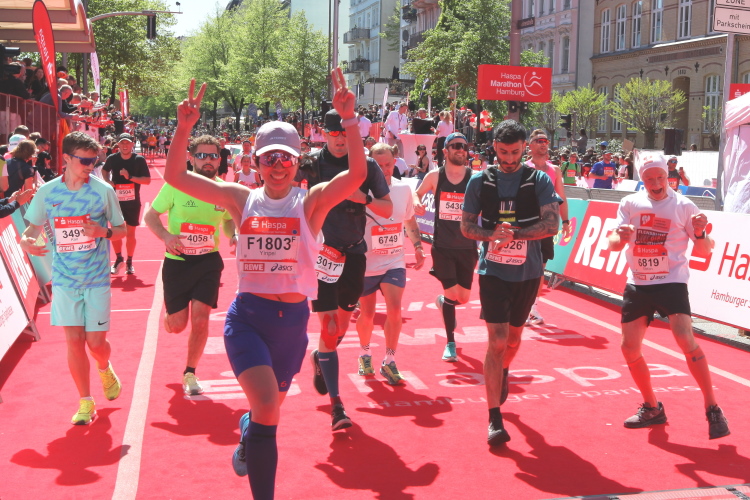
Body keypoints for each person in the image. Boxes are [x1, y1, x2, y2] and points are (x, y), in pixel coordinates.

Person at [163, 71, 366, 499]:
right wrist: (183, 130)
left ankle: (247, 429)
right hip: (248, 321)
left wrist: (350, 121)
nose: (277, 166)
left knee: (265, 413)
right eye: (269, 158)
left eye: (286, 159)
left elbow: (355, 177)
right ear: (255, 163)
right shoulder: (240, 199)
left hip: (291, 326)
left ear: (298, 163)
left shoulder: (311, 202)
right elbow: (177, 177)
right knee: (269, 408)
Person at [607, 153, 729, 440]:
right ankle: (652, 407)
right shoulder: (630, 203)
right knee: (629, 348)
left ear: (668, 176)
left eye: (660, 177)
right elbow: (612, 244)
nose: (656, 183)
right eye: (649, 178)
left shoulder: (683, 205)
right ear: (642, 179)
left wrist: (699, 232)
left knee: (684, 337)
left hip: (671, 281)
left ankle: (713, 408)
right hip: (638, 282)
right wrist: (620, 236)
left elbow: (704, 250)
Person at [460, 119, 561, 446]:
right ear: (495, 148)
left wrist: (515, 235)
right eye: (503, 152)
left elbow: (552, 224)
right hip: (493, 272)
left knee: (514, 341)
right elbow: (466, 227)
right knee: (498, 340)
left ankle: (502, 370)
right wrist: (491, 235)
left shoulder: (539, 179)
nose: (509, 159)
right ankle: (494, 418)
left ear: (524, 148)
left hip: (528, 272)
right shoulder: (480, 181)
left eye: (515, 152)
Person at [19, 131, 127, 425]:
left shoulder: (103, 191)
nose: (91, 166)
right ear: (66, 158)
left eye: (94, 161)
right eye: (85, 161)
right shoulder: (48, 192)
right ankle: (85, 401)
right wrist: (26, 241)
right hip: (65, 280)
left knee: (95, 345)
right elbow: (31, 229)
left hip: (96, 279)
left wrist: (103, 232)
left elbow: (121, 230)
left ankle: (104, 367)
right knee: (74, 342)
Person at [297, 105, 392, 431]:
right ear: (323, 133)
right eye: (334, 133)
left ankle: (320, 357)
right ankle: (337, 406)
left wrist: (363, 199)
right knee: (329, 329)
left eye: (345, 133)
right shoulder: (310, 165)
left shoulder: (364, 165)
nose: (339, 139)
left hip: (354, 255)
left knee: (337, 330)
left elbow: (387, 208)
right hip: (321, 256)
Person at [144, 135, 236, 396]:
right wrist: (166, 236)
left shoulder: (224, 190)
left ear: (219, 159)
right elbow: (151, 216)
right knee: (177, 325)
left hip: (208, 261)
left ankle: (190, 372)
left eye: (213, 156)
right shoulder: (176, 185)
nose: (208, 161)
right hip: (178, 262)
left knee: (201, 318)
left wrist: (234, 235)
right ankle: (170, 315)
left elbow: (228, 219)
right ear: (191, 158)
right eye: (202, 155)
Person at [355, 143, 426, 385]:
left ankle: (390, 360)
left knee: (395, 309)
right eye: (379, 165)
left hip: (394, 261)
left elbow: (409, 220)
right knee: (367, 313)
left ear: (395, 162)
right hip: (366, 262)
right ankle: (365, 353)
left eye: (388, 164)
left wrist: (418, 247)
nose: (384, 169)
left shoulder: (403, 189)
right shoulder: (361, 192)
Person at [414, 132, 477, 362]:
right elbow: (416, 193)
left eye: (464, 146)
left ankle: (443, 304)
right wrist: (417, 202)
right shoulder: (435, 176)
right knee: (452, 294)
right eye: (456, 146)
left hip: (467, 246)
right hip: (443, 246)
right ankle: (450, 342)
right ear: (446, 151)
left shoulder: (474, 178)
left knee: (463, 298)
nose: (461, 150)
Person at [524, 129, 569, 325]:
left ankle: (532, 308)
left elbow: (562, 198)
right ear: (530, 145)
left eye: (546, 141)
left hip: (547, 226)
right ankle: (521, 305)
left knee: (540, 268)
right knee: (525, 266)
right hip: (527, 225)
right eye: (539, 141)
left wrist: (565, 221)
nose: (543, 144)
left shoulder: (555, 170)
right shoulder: (523, 168)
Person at [103, 133, 151, 275]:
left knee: (130, 234)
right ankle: (119, 259)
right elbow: (104, 170)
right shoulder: (112, 158)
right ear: (118, 144)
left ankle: (129, 261)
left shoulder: (139, 160)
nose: (125, 146)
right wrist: (107, 181)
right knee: (115, 232)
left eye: (127, 143)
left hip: (132, 202)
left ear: (132, 144)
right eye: (122, 143)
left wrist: (129, 177)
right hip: (115, 202)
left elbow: (147, 180)